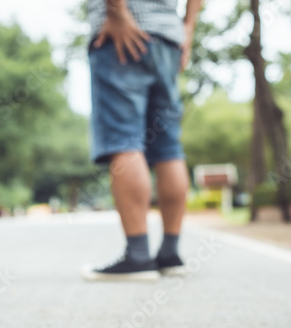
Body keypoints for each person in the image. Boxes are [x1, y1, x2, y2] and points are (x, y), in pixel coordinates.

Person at [82, 0, 203, 281]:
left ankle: (138, 255)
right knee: (168, 147)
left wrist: (117, 11)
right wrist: (187, 29)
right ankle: (170, 254)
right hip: (169, 39)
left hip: (122, 32)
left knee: (124, 141)